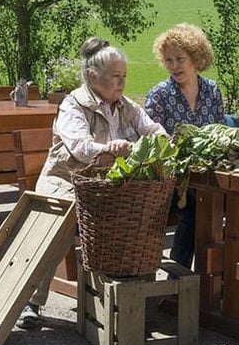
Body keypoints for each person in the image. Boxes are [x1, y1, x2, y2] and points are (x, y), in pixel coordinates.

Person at [17, 37, 166, 329]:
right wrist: (109, 148)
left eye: (124, 76)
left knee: (143, 210)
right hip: (64, 180)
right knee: (68, 215)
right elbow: (79, 147)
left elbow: (153, 129)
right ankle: (31, 300)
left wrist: (161, 140)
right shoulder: (73, 105)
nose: (121, 83)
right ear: (92, 77)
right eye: (115, 77)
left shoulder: (126, 106)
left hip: (106, 187)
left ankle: (131, 299)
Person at [144, 23, 225, 269]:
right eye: (168, 60)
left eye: (179, 58)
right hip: (170, 180)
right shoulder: (159, 94)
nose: (174, 66)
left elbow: (221, 133)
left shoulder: (212, 90)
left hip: (209, 175)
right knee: (195, 210)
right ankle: (178, 280)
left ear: (196, 57)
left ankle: (220, 272)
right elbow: (148, 141)